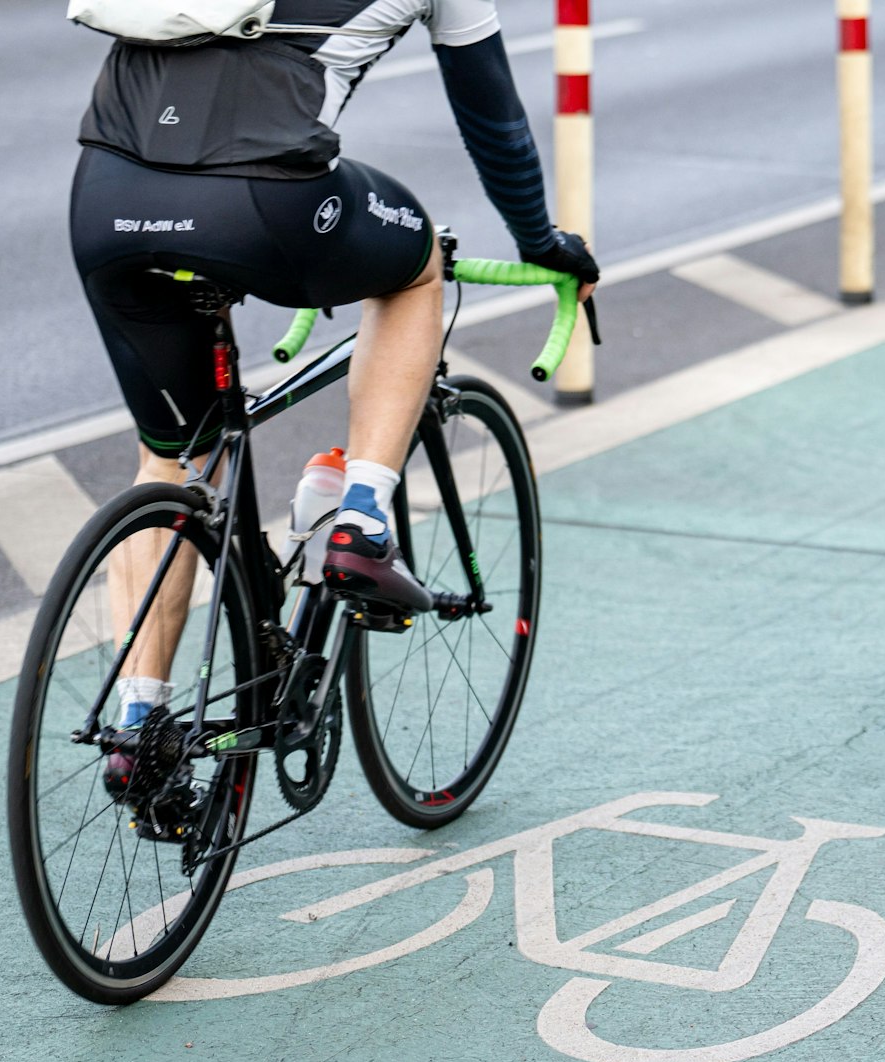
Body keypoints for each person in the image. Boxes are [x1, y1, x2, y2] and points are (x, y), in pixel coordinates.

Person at [66, 0, 599, 748]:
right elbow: (493, 117)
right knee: (417, 267)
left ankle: (136, 725)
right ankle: (361, 513)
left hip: (104, 200)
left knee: (177, 457)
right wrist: (540, 242)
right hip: (263, 202)